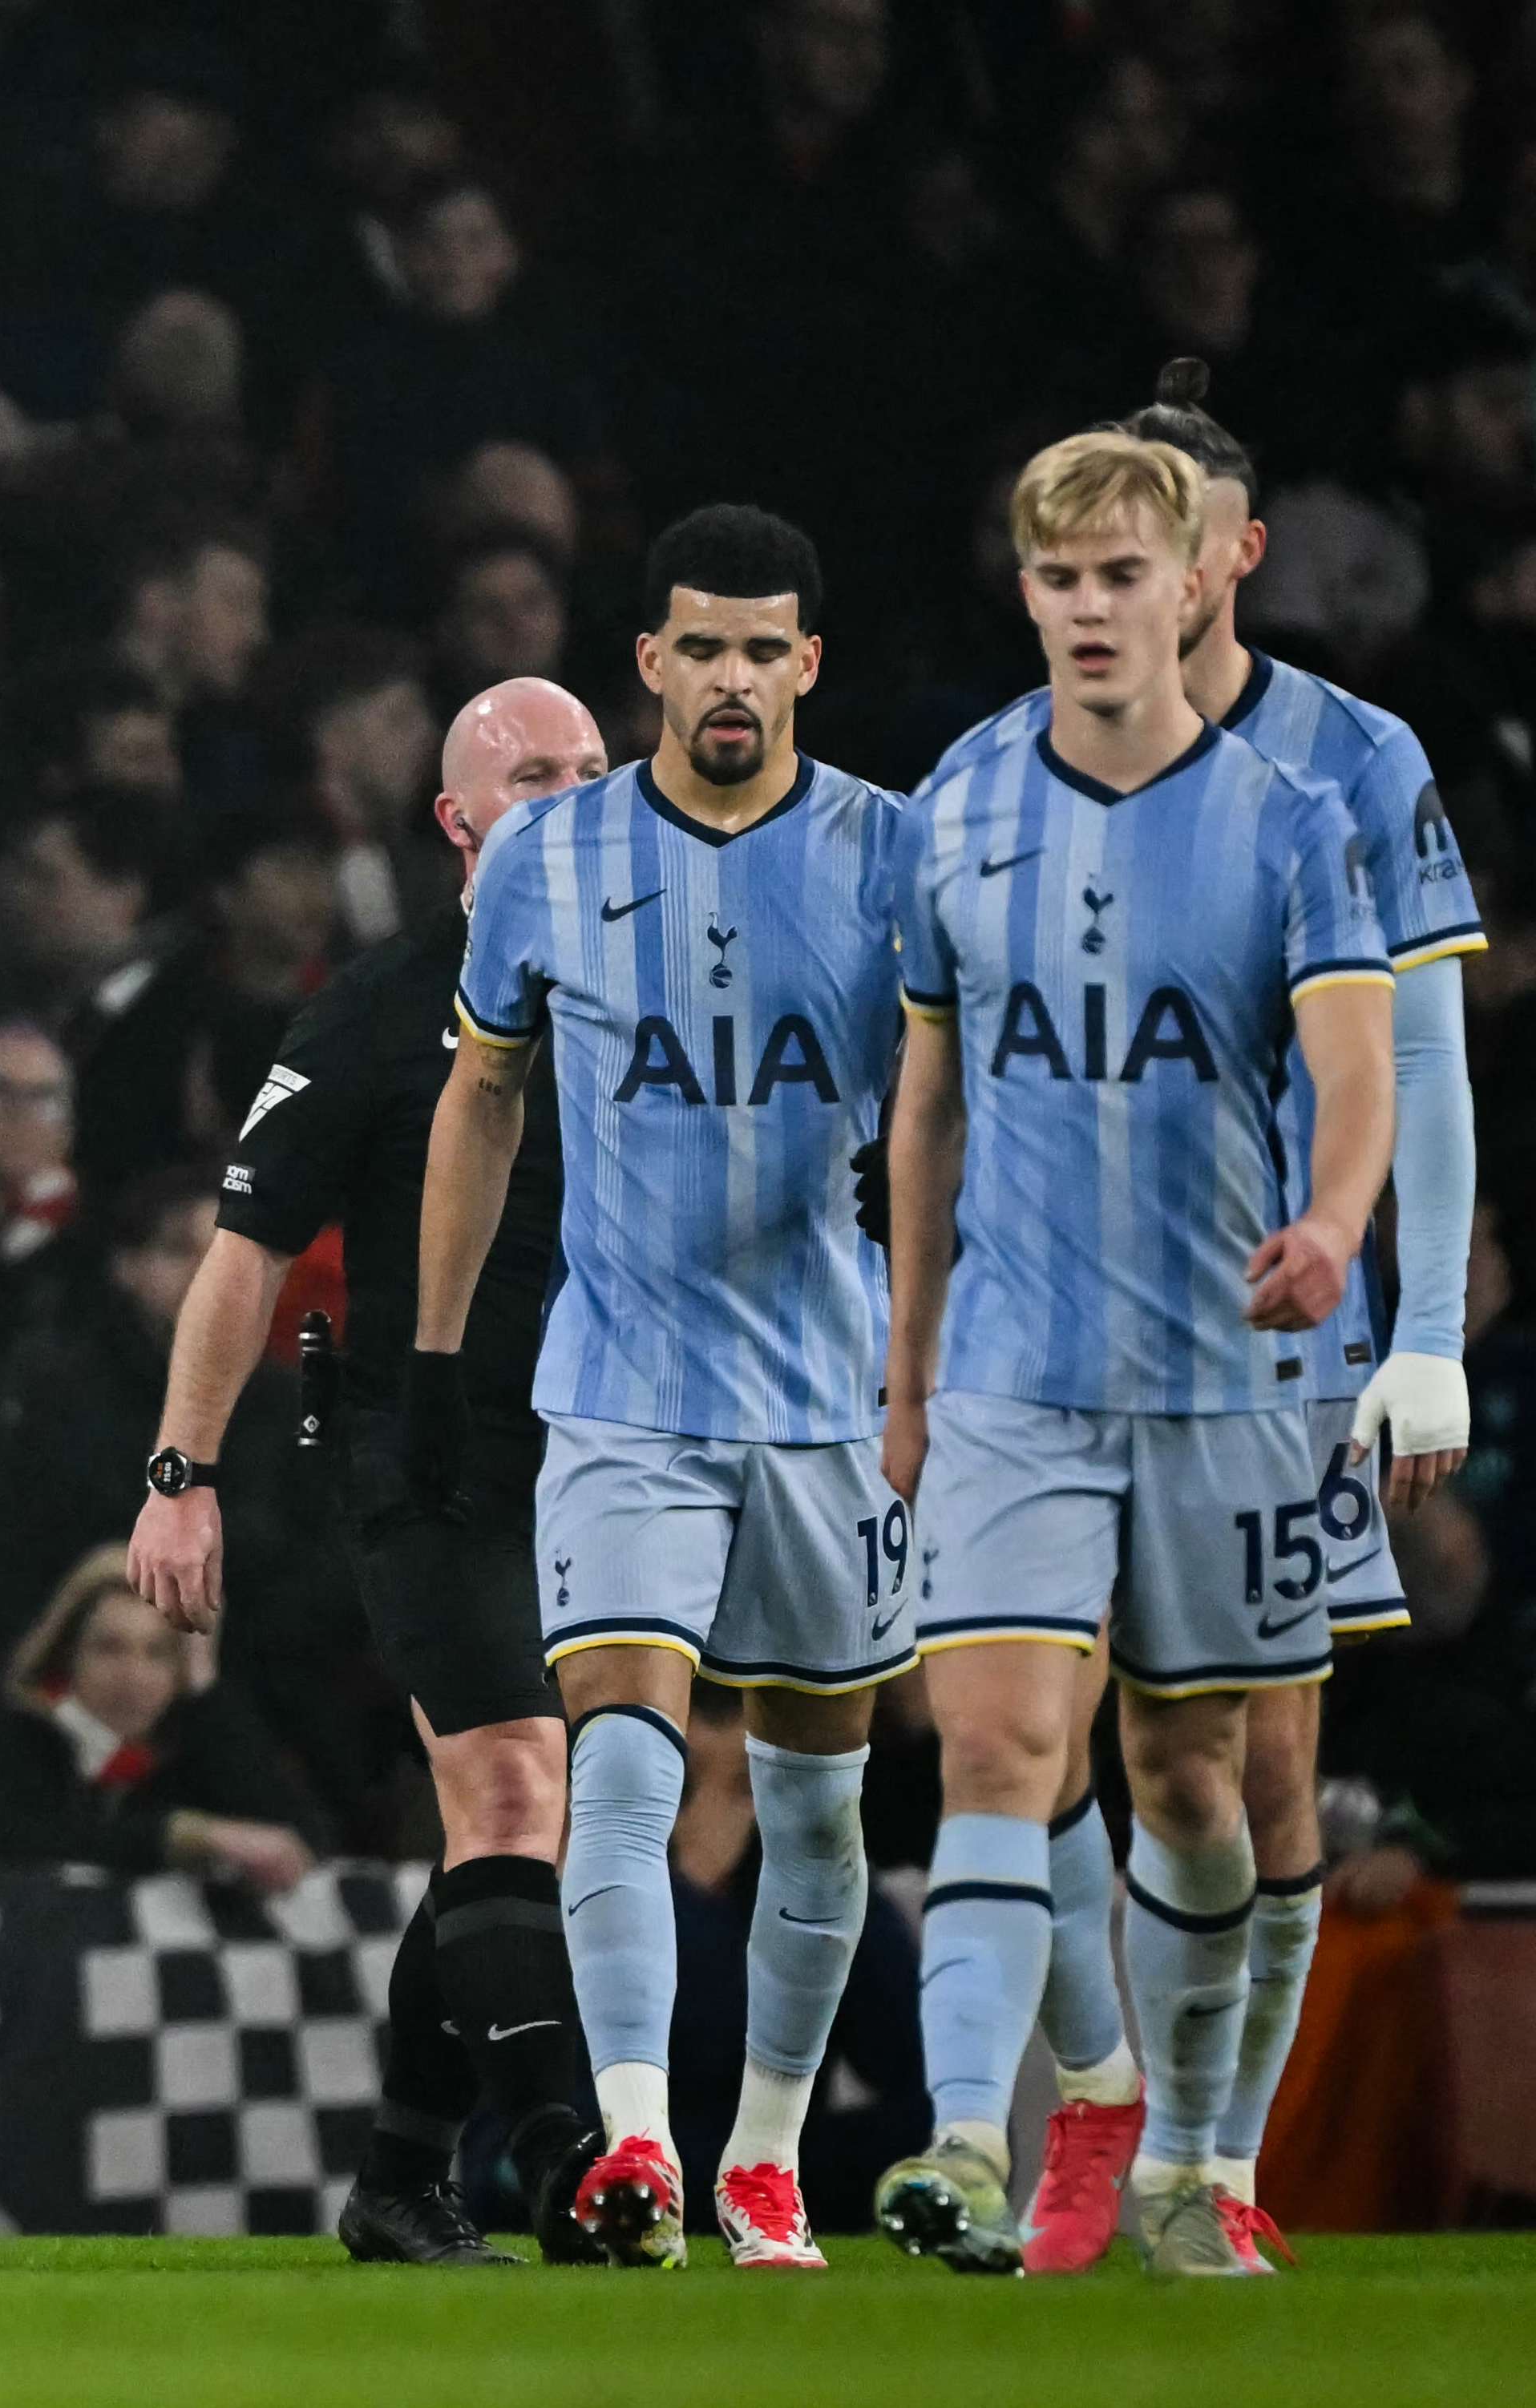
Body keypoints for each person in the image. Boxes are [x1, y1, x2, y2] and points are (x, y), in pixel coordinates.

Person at [871, 430, 1396, 2281]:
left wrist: (1332, 1222)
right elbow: (923, 1111)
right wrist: (908, 1374)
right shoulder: (955, 805)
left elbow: (1356, 1059)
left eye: (1122, 576)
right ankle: (956, 2140)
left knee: (1190, 1775)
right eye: (1059, 578)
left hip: (1225, 1385)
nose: (1090, 609)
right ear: (1026, 593)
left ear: (1196, 584)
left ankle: (1184, 2158)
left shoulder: (1289, 822)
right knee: (999, 1745)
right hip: (1017, 1372)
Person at [996, 366, 1489, 2277]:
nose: (1141, 571)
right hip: (1049, 1346)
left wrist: (1418, 1321)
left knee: (1250, 1769)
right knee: (1027, 1744)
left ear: (1234, 555)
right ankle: (1100, 2105)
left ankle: (1214, 2163)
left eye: (1175, 533)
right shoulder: (1007, 767)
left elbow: (1422, 1061)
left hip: (1273, 1348)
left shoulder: (1352, 765)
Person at [419, 507, 913, 2273]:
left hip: (825, 1399)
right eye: (697, 646)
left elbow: (956, 1097)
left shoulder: (886, 852)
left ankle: (765, 2152)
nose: (728, 678)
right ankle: (633, 2140)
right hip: (622, 1387)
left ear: (806, 666)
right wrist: (433, 1346)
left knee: (814, 1800)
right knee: (614, 1768)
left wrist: (925, 1283)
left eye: (760, 648)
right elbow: (479, 1099)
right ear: (647, 663)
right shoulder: (543, 864)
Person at [125, 675, 608, 2268]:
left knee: (517, 1833)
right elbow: (245, 1246)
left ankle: (401, 2177)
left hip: (616, 1447)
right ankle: (574, 2162)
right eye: (530, 776)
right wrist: (178, 1469)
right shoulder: (382, 1006)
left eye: (593, 771)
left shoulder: (662, 998)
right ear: (454, 821)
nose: (570, 796)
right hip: (429, 1448)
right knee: (513, 1788)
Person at [0, 1549, 328, 1885]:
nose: (134, 1676)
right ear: (66, 1653)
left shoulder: (190, 1748)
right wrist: (176, 1837)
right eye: (109, 1648)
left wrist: (204, 1687)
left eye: (159, 1654)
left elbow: (300, 1842)